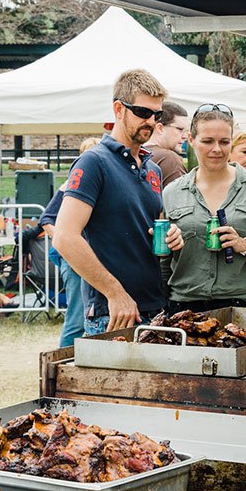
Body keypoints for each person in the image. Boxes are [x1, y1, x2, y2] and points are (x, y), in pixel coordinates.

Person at [54, 69, 184, 334]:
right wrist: (115, 293)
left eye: (157, 115)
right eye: (143, 112)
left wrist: (172, 234)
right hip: (113, 314)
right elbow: (64, 237)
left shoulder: (152, 169)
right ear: (118, 109)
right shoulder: (94, 162)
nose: (151, 121)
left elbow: (146, 229)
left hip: (153, 307)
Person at [161, 104, 246, 313]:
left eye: (224, 142)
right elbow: (164, 264)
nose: (216, 149)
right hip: (185, 308)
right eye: (207, 141)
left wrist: (245, 246)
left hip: (243, 306)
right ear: (191, 140)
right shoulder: (172, 192)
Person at [41, 137, 100, 348]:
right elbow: (46, 219)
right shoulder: (71, 185)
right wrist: (66, 243)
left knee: (89, 317)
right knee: (76, 317)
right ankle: (62, 363)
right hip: (75, 259)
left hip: (94, 259)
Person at [143, 101, 189, 188]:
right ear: (160, 128)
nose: (185, 136)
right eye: (180, 129)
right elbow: (180, 199)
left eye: (186, 131)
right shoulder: (169, 158)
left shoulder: (136, 154)